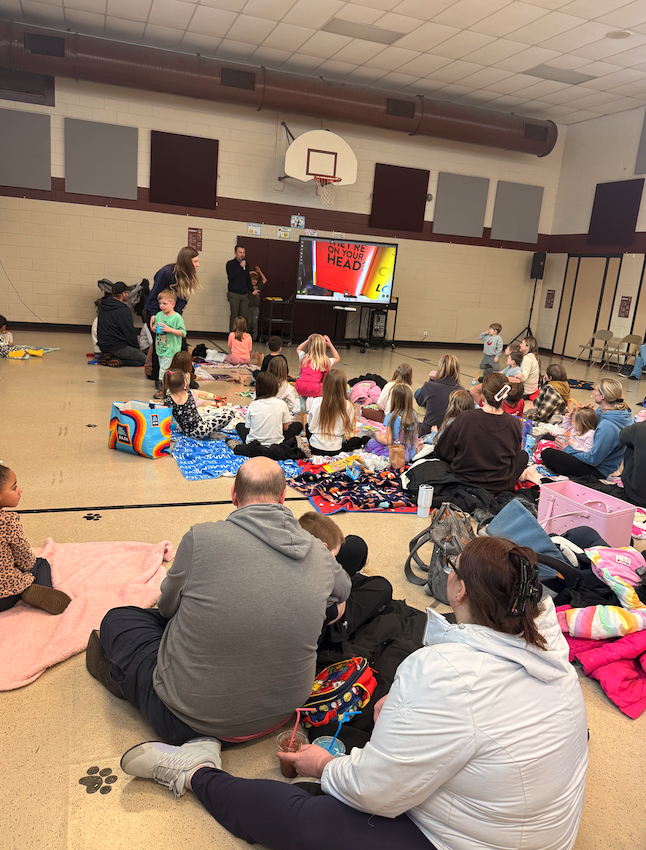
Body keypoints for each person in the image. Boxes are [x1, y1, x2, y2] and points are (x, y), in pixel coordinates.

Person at [119, 536, 588, 850]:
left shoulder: (444, 673)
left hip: (463, 839)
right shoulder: (551, 655)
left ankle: (195, 773)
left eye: (452, 566)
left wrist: (323, 765)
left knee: (306, 819)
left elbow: (374, 794)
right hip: (536, 834)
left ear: (460, 590)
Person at [90, 458, 351, 744]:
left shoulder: (200, 538)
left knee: (119, 619)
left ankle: (126, 680)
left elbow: (166, 609)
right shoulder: (318, 551)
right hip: (283, 715)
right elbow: (344, 590)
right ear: (282, 497)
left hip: (187, 721)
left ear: (234, 495)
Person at [298, 512, 392, 648]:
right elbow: (341, 601)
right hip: (324, 628)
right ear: (322, 549)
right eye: (334, 556)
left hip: (316, 600)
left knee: (354, 544)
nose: (335, 560)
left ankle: (354, 576)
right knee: (383, 587)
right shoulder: (321, 582)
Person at [436, 372, 527, 495]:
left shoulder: (465, 418)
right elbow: (513, 455)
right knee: (523, 455)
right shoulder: (514, 424)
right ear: (504, 396)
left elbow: (443, 451)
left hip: (464, 481)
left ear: (482, 394)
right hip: (499, 486)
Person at [0, 466, 70, 615]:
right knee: (40, 563)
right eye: (14, 487)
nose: (20, 490)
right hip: (4, 598)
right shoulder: (7, 521)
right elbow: (25, 559)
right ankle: (41, 589)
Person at [541, 378, 632, 479]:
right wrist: (584, 413)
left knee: (548, 453)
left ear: (602, 396)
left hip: (597, 470)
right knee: (547, 437)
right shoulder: (610, 411)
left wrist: (567, 449)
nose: (593, 392)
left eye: (596, 390)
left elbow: (593, 459)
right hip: (585, 449)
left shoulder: (608, 427)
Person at [145, 247, 200, 385]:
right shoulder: (166, 272)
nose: (198, 265)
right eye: (195, 262)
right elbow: (154, 296)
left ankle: (183, 376)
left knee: (180, 344)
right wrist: (154, 314)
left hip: (172, 314)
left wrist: (176, 317)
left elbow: (182, 300)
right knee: (160, 345)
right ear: (187, 261)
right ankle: (158, 377)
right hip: (156, 312)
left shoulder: (186, 276)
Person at [236, 372, 302, 446]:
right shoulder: (282, 404)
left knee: (239, 426)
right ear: (275, 388)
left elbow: (249, 428)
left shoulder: (253, 405)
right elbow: (285, 428)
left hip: (254, 445)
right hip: (276, 444)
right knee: (298, 426)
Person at [163, 370, 234, 439]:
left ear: (168, 385)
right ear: (184, 383)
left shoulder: (168, 400)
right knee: (229, 415)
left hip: (188, 433)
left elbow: (167, 419)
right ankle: (210, 433)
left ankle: (210, 434)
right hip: (201, 430)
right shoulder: (189, 393)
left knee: (209, 421)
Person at [365, 384, 420, 463]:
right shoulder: (414, 415)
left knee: (371, 443)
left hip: (395, 452)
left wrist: (378, 438)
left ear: (394, 399)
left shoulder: (390, 417)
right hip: (410, 451)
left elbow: (388, 441)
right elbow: (414, 437)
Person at [307, 369, 355, 456]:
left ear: (325, 384)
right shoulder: (348, 405)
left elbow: (310, 424)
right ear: (344, 386)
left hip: (315, 447)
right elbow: (349, 427)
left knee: (307, 426)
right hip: (335, 449)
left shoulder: (315, 401)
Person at [97, 282, 146, 366]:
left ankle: (112, 357)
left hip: (103, 345)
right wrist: (136, 347)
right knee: (145, 360)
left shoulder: (103, 305)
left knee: (138, 359)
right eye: (127, 292)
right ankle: (115, 360)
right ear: (123, 294)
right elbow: (129, 332)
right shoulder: (124, 310)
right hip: (118, 347)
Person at [415, 354, 463, 436]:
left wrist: (432, 381)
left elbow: (419, 401)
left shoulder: (429, 386)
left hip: (427, 432)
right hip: (449, 435)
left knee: (418, 392)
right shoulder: (461, 391)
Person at [151, 290, 186, 397]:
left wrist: (170, 329)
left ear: (173, 304)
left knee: (164, 370)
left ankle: (163, 389)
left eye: (164, 303)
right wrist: (153, 326)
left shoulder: (177, 317)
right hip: (160, 348)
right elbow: (154, 330)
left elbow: (183, 333)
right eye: (160, 303)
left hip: (171, 349)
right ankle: (170, 387)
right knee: (165, 369)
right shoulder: (159, 315)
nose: (161, 306)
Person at [295, 334, 340, 402]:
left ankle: (302, 405)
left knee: (303, 395)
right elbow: (337, 358)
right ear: (323, 347)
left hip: (300, 386)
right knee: (325, 388)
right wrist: (330, 345)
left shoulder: (304, 357)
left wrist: (307, 340)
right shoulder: (325, 361)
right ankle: (316, 404)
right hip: (315, 388)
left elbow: (299, 349)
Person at [226, 246, 254, 331]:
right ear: (235, 253)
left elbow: (247, 279)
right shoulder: (230, 264)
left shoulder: (246, 265)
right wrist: (240, 267)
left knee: (244, 316)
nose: (242, 255)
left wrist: (252, 290)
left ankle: (242, 334)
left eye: (243, 253)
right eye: (240, 252)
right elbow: (231, 276)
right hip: (234, 293)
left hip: (244, 294)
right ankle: (232, 334)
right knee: (234, 316)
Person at [248, 267, 266, 341]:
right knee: (248, 323)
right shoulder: (248, 286)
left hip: (255, 307)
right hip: (248, 306)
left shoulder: (258, 286)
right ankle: (248, 336)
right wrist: (249, 273)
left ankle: (254, 337)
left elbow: (264, 280)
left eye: (255, 280)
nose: (254, 281)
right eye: (253, 279)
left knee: (254, 323)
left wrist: (260, 272)